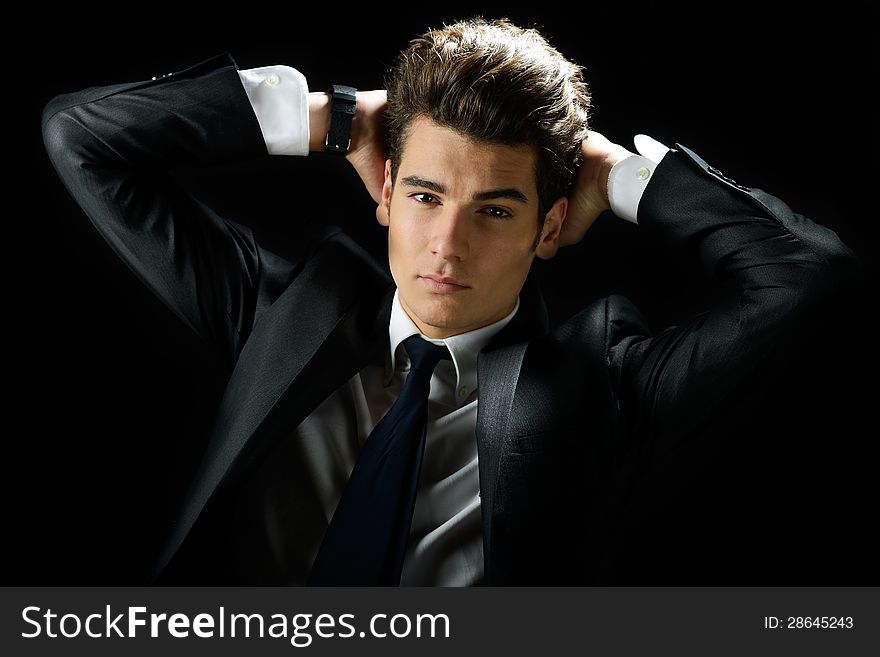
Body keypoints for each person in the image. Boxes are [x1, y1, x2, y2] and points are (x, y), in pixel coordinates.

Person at [41, 17, 859, 585]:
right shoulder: (276, 312)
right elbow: (83, 138)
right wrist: (336, 117)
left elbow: (803, 273)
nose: (447, 244)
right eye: (426, 196)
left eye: (496, 210)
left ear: (551, 228)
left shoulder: (603, 390)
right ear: (387, 191)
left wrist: (619, 177)